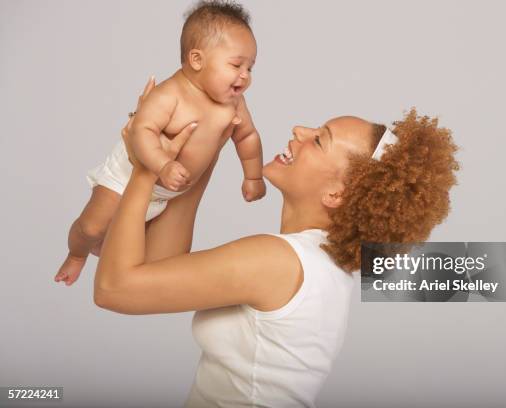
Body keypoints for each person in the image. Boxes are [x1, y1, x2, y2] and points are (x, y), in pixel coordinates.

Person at [93, 79, 459, 407]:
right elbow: (160, 265)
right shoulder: (316, 264)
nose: (299, 130)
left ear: (336, 193)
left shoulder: (281, 262)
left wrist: (144, 169)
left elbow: (114, 288)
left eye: (319, 139)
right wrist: (202, 151)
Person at [55, 0, 265, 286]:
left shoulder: (234, 104)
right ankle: (77, 253)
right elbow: (141, 130)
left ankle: (108, 253)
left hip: (169, 193)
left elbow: (247, 136)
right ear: (197, 60)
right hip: (128, 176)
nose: (245, 75)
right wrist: (162, 164)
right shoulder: (171, 94)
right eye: (236, 64)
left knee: (142, 256)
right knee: (92, 226)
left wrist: (253, 176)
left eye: (250, 67)